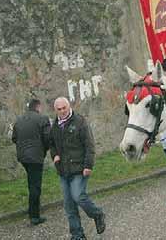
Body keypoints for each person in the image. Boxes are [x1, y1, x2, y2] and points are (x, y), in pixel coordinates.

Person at [50, 97, 105, 239]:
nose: (62, 111)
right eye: (59, 109)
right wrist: (55, 155)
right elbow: (52, 144)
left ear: (69, 106)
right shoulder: (55, 125)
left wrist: (88, 165)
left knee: (78, 197)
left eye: (64, 108)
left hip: (79, 169)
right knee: (69, 206)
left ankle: (97, 214)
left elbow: (90, 145)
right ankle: (77, 234)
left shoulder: (80, 122)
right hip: (63, 170)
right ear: (55, 110)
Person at [12, 99, 50, 226]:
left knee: (31, 183)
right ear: (38, 107)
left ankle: (31, 210)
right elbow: (47, 138)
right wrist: (43, 151)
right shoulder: (42, 119)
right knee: (35, 186)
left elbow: (14, 138)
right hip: (36, 157)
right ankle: (34, 216)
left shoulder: (19, 120)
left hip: (23, 157)